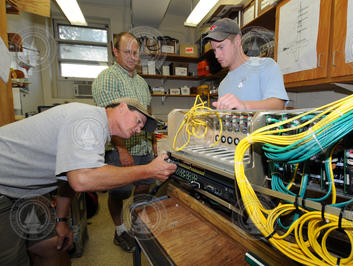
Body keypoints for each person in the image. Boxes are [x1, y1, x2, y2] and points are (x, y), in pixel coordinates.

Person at [0, 97, 177, 266]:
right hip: (3, 186)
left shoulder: (98, 131)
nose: (139, 130)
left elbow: (68, 180)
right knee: (12, 260)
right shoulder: (89, 120)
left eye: (142, 127)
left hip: (27, 191)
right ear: (122, 107)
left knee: (48, 247)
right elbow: (82, 179)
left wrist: (61, 220)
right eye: (138, 121)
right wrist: (148, 169)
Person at [92, 32, 156, 252]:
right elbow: (108, 118)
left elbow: (147, 115)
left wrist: (152, 143)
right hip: (122, 149)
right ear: (115, 51)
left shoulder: (141, 82)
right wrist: (121, 149)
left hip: (143, 145)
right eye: (127, 52)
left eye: (136, 52)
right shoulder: (107, 78)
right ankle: (120, 230)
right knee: (119, 192)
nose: (132, 57)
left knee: (144, 186)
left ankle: (137, 223)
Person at [203, 18, 289, 110]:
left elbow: (278, 105)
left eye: (221, 47)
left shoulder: (266, 66)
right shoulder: (223, 85)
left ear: (237, 40)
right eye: (214, 50)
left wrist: (244, 106)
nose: (217, 55)